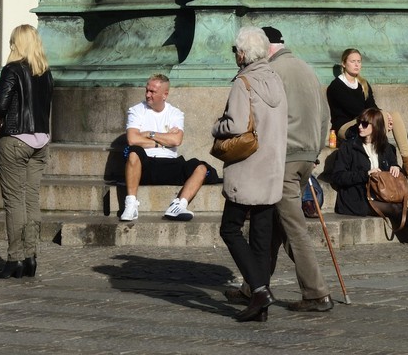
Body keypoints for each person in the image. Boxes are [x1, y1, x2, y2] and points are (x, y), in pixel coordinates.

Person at [213, 26, 287, 323]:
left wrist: (216, 126)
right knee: (260, 235)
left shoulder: (243, 83)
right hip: (270, 168)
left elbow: (235, 125)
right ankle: (261, 301)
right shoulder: (275, 79)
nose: (235, 55)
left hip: (247, 169)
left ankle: (258, 289)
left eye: (235, 50)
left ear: (243, 53)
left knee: (230, 229)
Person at [261, 25, 332, 313]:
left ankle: (316, 293)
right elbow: (324, 115)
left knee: (293, 229)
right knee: (275, 227)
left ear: (266, 48)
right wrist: (315, 152)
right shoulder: (306, 68)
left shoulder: (272, 72)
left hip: (286, 159)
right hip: (306, 158)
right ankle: (254, 286)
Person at [0, 24, 54, 279]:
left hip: (15, 139)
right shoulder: (45, 72)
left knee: (14, 201)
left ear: (18, 44)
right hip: (40, 141)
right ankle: (31, 256)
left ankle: (14, 258)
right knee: (31, 199)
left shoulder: (12, 69)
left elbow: (1, 106)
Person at [330, 108, 408, 245]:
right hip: (357, 198)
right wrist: (365, 174)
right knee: (395, 208)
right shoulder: (349, 147)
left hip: (381, 193)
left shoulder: (385, 147)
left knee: (397, 206)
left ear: (376, 127)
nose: (360, 127)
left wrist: (396, 167)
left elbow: (392, 163)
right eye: (359, 123)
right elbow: (337, 176)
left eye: (365, 124)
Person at [120, 72, 212, 224]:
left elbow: (176, 140)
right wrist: (161, 140)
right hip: (146, 164)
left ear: (165, 95)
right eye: (147, 90)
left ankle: (179, 205)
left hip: (170, 164)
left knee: (201, 168)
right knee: (134, 152)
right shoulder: (136, 110)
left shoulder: (175, 113)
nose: (148, 94)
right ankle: (131, 204)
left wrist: (149, 133)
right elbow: (132, 139)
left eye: (153, 92)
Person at [325, 46, 408, 176]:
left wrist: (386, 117)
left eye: (359, 61)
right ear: (344, 64)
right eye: (353, 61)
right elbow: (354, 109)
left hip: (366, 121)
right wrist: (380, 117)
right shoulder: (336, 86)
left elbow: (372, 105)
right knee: (381, 117)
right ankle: (385, 157)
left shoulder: (363, 84)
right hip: (345, 126)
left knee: (394, 115)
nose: (357, 65)